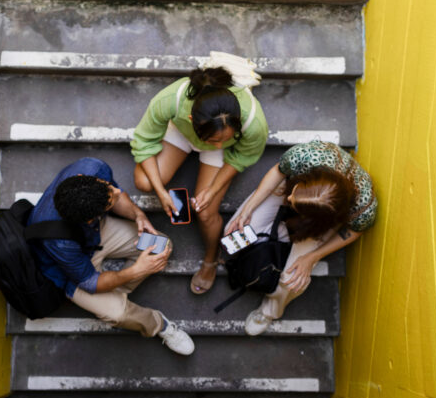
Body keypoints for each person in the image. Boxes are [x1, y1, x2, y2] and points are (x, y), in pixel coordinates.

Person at [27, 157, 195, 355]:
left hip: (96, 233)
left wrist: (138, 215)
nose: (116, 191)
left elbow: (117, 195)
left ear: (83, 177)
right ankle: (160, 325)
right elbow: (88, 281)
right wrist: (136, 271)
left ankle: (116, 289)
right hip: (70, 269)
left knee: (162, 246)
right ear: (90, 218)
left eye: (107, 186)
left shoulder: (91, 167)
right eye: (110, 201)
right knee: (118, 314)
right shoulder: (58, 241)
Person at [131, 64, 269, 295]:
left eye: (225, 138)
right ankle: (201, 139)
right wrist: (161, 191)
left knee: (205, 213)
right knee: (144, 182)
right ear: (191, 117)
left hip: (220, 143)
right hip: (182, 132)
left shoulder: (253, 123)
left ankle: (211, 260)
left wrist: (213, 189)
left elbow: (241, 157)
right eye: (214, 140)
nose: (217, 145)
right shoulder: (170, 100)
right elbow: (143, 142)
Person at [224, 140, 377, 335]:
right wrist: (247, 210)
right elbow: (278, 172)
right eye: (293, 197)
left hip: (320, 225)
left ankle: (270, 311)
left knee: (291, 279)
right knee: (234, 231)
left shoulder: (363, 209)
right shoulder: (308, 155)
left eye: (293, 203)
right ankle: (282, 234)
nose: (288, 200)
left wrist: (312, 257)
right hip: (293, 185)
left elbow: (354, 231)